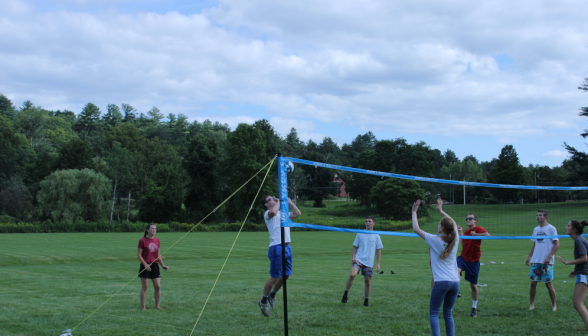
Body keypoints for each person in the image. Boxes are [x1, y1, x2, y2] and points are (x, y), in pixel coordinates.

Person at [412, 198, 459, 336]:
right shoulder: (456, 239)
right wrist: (441, 211)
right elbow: (454, 224)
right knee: (448, 314)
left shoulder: (435, 240)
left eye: (439, 224)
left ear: (442, 228)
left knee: (433, 314)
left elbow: (416, 228)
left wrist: (414, 211)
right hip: (455, 283)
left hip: (441, 282)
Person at [258, 195, 301, 317]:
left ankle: (272, 295)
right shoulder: (268, 213)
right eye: (270, 199)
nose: (273, 199)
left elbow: (297, 214)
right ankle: (263, 301)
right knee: (274, 277)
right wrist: (281, 201)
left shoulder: (282, 213)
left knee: (286, 275)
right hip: (276, 247)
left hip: (287, 247)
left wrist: (290, 203)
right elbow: (273, 211)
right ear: (266, 204)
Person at [341, 216, 383, 307]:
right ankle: (345, 295)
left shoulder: (376, 235)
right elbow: (355, 246)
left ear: (373, 223)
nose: (368, 223)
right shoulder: (360, 233)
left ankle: (366, 301)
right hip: (358, 259)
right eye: (366, 221)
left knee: (367, 281)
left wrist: (378, 263)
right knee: (352, 275)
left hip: (369, 262)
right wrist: (353, 257)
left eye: (369, 221)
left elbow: (378, 250)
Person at [456, 213, 490, 317]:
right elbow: (463, 244)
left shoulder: (478, 229)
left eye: (470, 218)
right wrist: (461, 232)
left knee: (473, 286)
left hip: (474, 260)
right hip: (463, 257)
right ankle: (457, 290)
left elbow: (488, 235)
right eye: (467, 218)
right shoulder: (466, 231)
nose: (468, 220)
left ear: (475, 221)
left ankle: (474, 307)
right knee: (456, 270)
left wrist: (476, 235)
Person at [556, 220, 588, 330]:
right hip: (583, 272)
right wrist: (576, 270)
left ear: (574, 230)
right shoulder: (579, 240)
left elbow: (584, 258)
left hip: (585, 274)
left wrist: (567, 262)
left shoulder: (579, 240)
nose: (566, 227)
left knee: (578, 303)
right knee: (577, 303)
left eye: (568, 225)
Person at [525, 209, 559, 311]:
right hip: (536, 261)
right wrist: (529, 256)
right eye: (537, 215)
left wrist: (549, 257)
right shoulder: (535, 229)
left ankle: (554, 305)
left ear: (546, 217)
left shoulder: (551, 229)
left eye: (540, 215)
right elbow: (535, 244)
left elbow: (557, 245)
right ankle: (531, 305)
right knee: (533, 283)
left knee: (548, 284)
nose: (538, 217)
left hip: (547, 262)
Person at [137, 223, 169, 310]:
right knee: (145, 287)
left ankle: (157, 306)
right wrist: (145, 265)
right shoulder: (142, 240)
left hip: (155, 266)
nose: (154, 230)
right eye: (152, 228)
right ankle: (143, 307)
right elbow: (139, 255)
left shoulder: (157, 240)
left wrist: (162, 265)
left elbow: (158, 254)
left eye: (155, 229)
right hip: (145, 265)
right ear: (147, 230)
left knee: (158, 287)